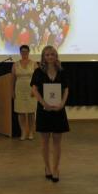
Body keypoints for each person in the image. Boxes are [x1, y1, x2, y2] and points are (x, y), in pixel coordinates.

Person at [31, 45, 70, 182]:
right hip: (44, 110)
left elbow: (66, 89)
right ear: (43, 57)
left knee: (57, 142)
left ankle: (56, 168)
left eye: (52, 54)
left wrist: (62, 104)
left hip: (59, 110)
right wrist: (44, 104)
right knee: (44, 141)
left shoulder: (62, 71)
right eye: (47, 55)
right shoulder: (38, 72)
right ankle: (47, 167)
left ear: (56, 56)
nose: (49, 57)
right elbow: (34, 90)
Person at [12, 44, 38, 140]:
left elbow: (37, 79)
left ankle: (31, 132)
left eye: (26, 51)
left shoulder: (34, 64)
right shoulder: (15, 64)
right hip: (19, 90)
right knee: (21, 112)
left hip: (31, 90)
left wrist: (34, 90)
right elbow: (13, 79)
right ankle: (23, 132)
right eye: (22, 51)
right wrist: (12, 91)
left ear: (28, 52)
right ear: (20, 52)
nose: (24, 53)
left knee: (31, 113)